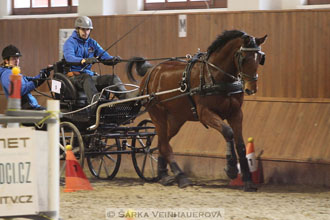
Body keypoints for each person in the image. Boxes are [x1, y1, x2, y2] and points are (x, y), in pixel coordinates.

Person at [63, 16, 127, 105]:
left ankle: (127, 100)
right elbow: (69, 58)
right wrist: (84, 60)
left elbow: (103, 55)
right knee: (86, 78)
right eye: (83, 30)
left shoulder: (92, 43)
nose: (86, 32)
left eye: (88, 30)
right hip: (74, 77)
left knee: (113, 78)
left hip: (88, 76)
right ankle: (96, 104)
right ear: (77, 29)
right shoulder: (70, 43)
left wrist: (112, 59)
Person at [0, 45, 49, 110]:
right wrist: (36, 82)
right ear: (6, 60)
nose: (16, 61)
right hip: (26, 109)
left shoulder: (13, 72)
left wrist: (44, 73)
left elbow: (29, 79)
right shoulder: (7, 74)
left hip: (30, 107)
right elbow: (18, 91)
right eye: (13, 58)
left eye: (17, 58)